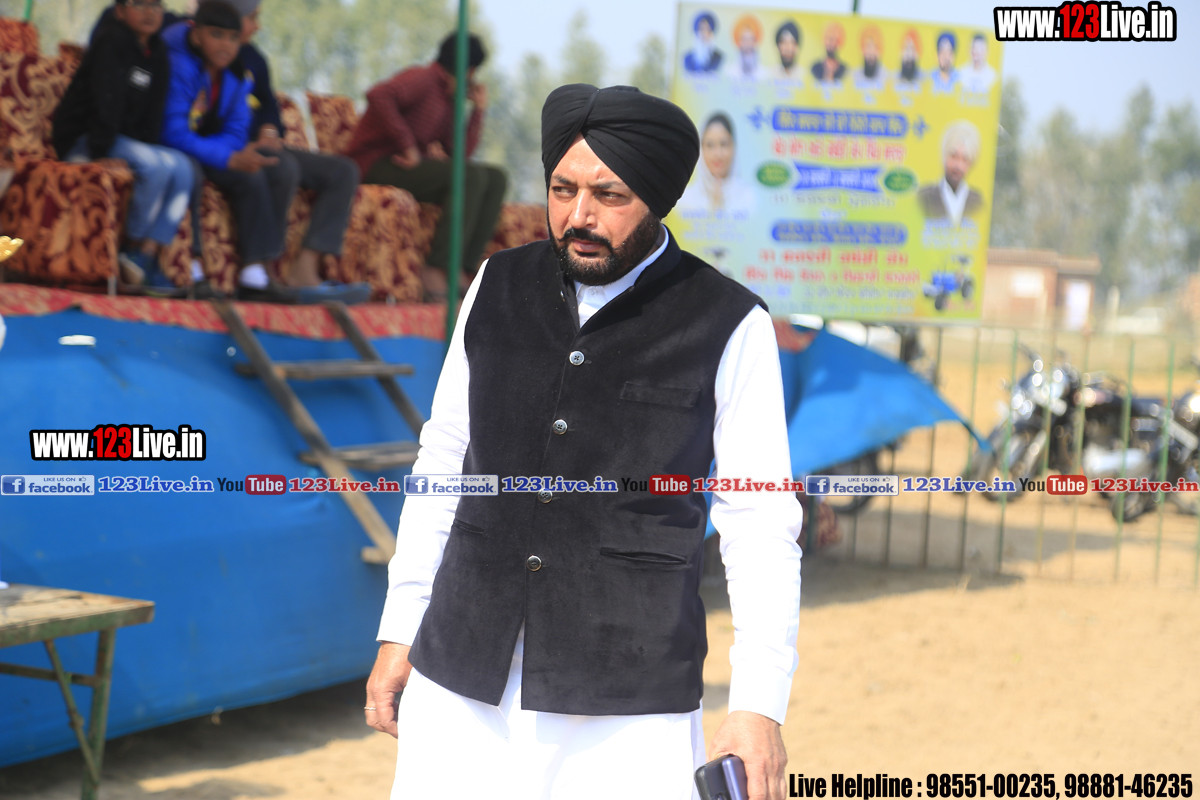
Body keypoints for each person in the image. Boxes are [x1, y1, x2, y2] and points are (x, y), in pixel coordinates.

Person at [365, 84, 802, 800]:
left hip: (627, 704)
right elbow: (444, 459)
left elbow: (760, 521)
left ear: (658, 199)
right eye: (562, 190)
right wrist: (400, 626)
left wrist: (758, 704)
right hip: (460, 675)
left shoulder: (727, 322)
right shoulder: (496, 284)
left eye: (609, 195)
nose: (579, 216)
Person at [160, 0, 367, 303]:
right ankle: (232, 271)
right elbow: (174, 131)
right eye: (252, 19)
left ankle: (279, 273)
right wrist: (231, 157)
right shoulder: (180, 62)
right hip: (188, 146)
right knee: (272, 168)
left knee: (331, 170)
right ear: (199, 34)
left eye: (232, 37)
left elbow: (253, 113)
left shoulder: (243, 66)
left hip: (232, 146)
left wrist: (261, 137)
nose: (228, 43)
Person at [345, 33, 507, 302]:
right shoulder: (423, 78)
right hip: (375, 163)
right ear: (470, 70)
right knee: (471, 176)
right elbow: (379, 95)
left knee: (495, 178)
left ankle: (462, 268)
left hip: (407, 168)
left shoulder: (448, 97)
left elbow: (459, 155)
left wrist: (477, 112)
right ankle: (436, 268)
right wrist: (407, 145)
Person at [52, 0, 193, 290]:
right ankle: (130, 250)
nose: (150, 12)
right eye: (139, 4)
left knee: (183, 168)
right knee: (154, 167)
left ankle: (146, 257)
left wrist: (144, 149)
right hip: (86, 138)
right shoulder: (111, 41)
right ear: (119, 10)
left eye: (156, 5)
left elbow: (153, 115)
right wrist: (101, 152)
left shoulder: (158, 51)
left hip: (125, 142)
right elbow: (105, 103)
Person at [678, 113, 755, 216]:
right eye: (710, 145)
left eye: (723, 144)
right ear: (701, 149)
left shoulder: (748, 198)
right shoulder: (685, 199)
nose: (717, 154)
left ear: (733, 147)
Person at [917, 120, 984, 226]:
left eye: (965, 159)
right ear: (944, 155)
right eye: (953, 156)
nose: (958, 165)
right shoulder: (923, 197)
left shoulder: (978, 202)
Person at [726, 14, 764, 80]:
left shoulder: (763, 73)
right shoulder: (730, 72)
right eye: (744, 39)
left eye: (751, 39)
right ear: (739, 42)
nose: (748, 43)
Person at [853, 24, 888, 91]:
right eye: (868, 47)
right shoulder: (855, 74)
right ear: (862, 50)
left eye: (874, 47)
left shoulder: (886, 76)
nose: (871, 52)